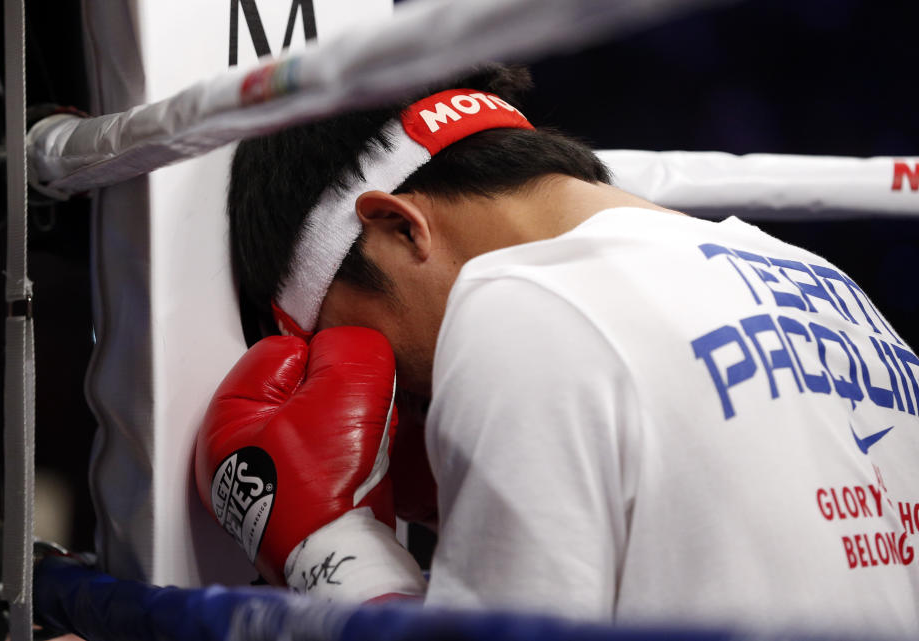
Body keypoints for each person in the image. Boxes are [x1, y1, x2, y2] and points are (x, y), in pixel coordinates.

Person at [196, 65, 919, 635]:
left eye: (356, 339)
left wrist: (339, 557)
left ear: (397, 227)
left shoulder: (522, 303)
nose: (400, 399)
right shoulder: (820, 280)